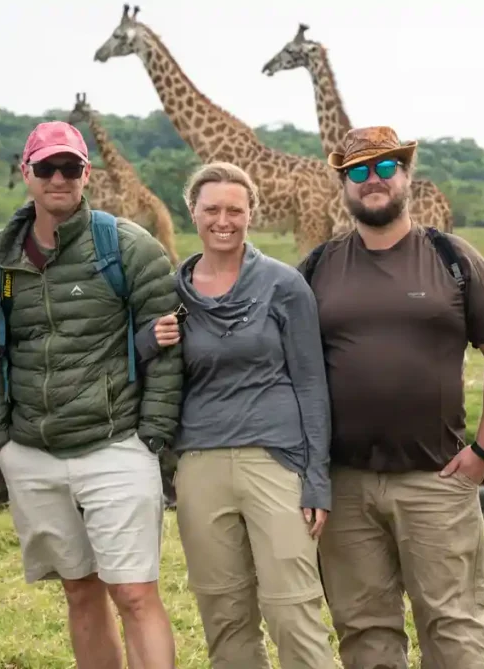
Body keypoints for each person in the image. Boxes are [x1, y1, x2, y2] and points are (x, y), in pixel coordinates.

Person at [0, 120, 184, 669]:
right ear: (27, 173)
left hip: (116, 443)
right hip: (32, 450)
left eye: (70, 168)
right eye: (47, 168)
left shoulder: (127, 246)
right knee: (80, 589)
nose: (58, 178)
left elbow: (170, 345)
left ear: (86, 173)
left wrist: (153, 437)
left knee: (134, 593)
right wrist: (1, 440)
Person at [303, 126, 484, 669]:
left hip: (437, 478)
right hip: (346, 482)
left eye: (384, 168)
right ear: (344, 186)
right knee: (364, 630)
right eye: (357, 172)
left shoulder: (451, 257)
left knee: (452, 625)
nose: (371, 180)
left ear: (406, 176)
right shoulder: (318, 267)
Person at [137, 161, 336, 669]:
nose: (222, 220)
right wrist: (143, 343)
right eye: (211, 209)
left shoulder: (283, 285)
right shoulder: (172, 291)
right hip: (200, 463)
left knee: (292, 608)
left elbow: (312, 382)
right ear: (193, 212)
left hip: (276, 460)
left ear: (251, 214)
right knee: (224, 613)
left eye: (234, 210)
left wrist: (317, 478)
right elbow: (132, 369)